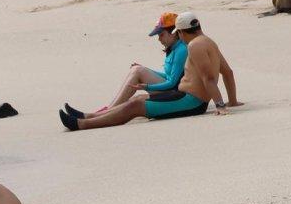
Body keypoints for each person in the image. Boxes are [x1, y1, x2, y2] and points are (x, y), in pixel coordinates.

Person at [59, 12, 241, 131]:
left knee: (136, 105)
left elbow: (208, 78)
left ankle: (83, 124)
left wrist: (220, 106)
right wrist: (232, 100)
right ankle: (89, 117)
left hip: (192, 102)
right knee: (137, 100)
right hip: (184, 97)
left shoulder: (194, 46)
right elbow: (228, 72)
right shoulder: (209, 42)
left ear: (183, 32)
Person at [62, 12, 188, 120]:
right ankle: (104, 112)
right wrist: (146, 70)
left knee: (138, 70)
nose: (159, 39)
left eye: (161, 34)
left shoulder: (181, 50)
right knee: (137, 69)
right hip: (168, 88)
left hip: (173, 93)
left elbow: (172, 83)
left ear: (173, 33)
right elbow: (167, 75)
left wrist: (147, 85)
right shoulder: (173, 49)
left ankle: (101, 114)